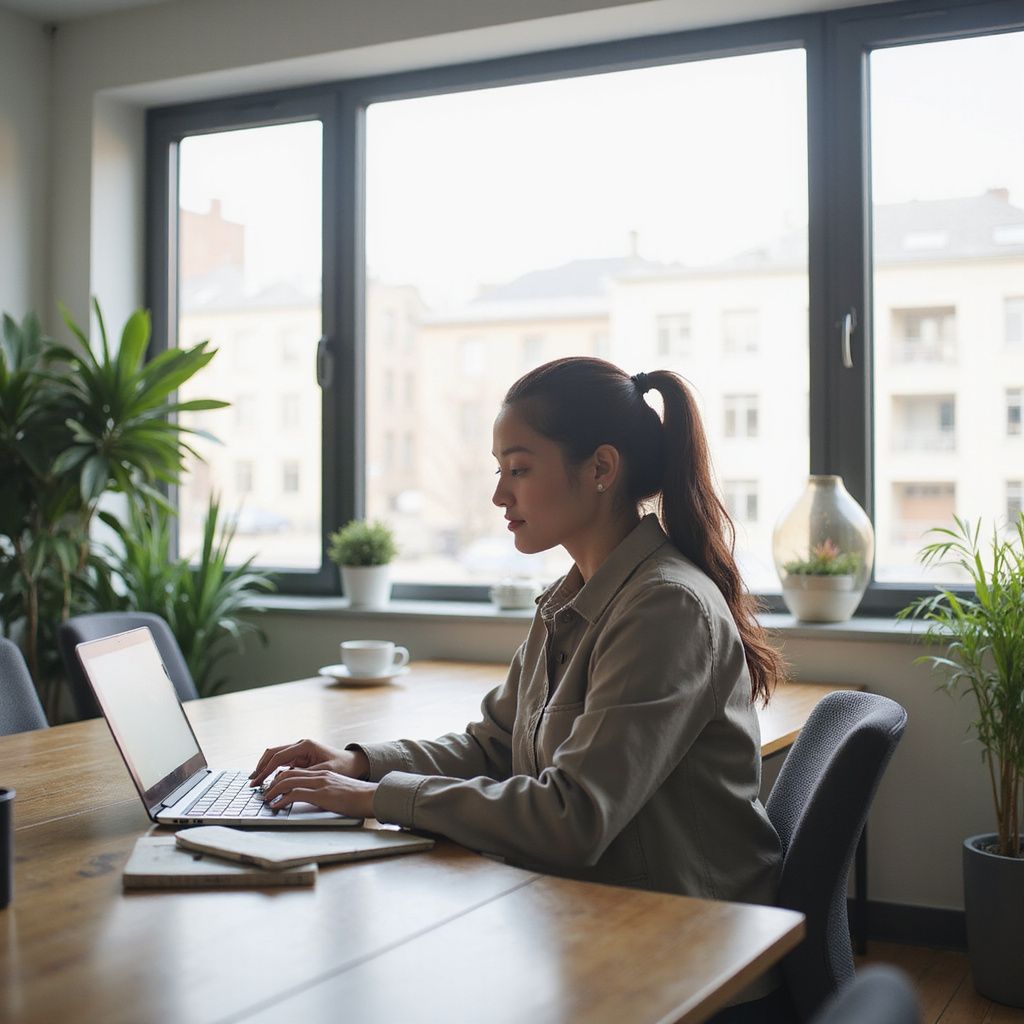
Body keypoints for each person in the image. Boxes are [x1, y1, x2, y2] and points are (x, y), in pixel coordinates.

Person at [251, 357, 787, 1016]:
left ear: (600, 470)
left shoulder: (665, 609)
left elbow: (572, 818)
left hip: (680, 951)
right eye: (499, 471)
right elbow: (494, 744)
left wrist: (372, 798)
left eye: (520, 469)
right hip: (593, 913)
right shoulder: (574, 598)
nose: (500, 496)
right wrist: (361, 763)